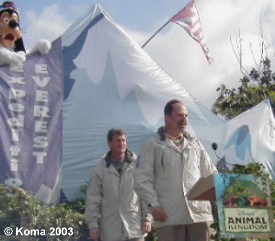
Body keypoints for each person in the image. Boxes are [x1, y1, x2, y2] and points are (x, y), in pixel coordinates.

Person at [134, 99, 217, 241]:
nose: (184, 119)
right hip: (169, 216)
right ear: (167, 117)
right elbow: (141, 180)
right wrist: (153, 206)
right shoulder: (151, 145)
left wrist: (230, 194)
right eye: (179, 115)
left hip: (199, 216)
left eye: (186, 116)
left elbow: (211, 175)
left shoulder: (195, 144)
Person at [85, 128, 151, 241]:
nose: (122, 144)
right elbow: (93, 198)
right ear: (109, 143)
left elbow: (146, 193)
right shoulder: (100, 169)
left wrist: (147, 218)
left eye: (123, 140)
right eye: (118, 141)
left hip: (134, 229)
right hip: (111, 231)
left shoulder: (138, 165)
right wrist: (93, 226)